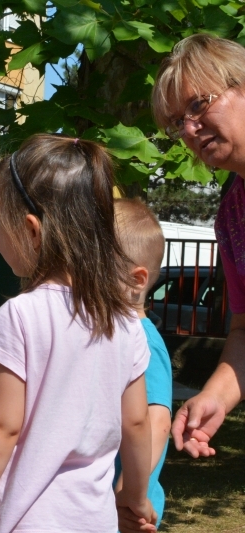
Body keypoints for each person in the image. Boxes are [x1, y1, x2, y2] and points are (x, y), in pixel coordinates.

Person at [0, 135, 157, 533]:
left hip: (24, 520)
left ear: (32, 231)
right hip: (95, 521)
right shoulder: (127, 323)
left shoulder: (22, 315)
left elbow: (2, 426)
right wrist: (136, 496)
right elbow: (138, 423)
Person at [151, 33, 245, 459]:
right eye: (177, 122)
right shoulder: (232, 214)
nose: (188, 129)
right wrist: (215, 397)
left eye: (197, 104)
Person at [113, 198, 173, 530]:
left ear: (137, 280)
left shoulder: (144, 342)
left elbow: (157, 421)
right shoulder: (111, 334)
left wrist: (129, 490)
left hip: (128, 506)